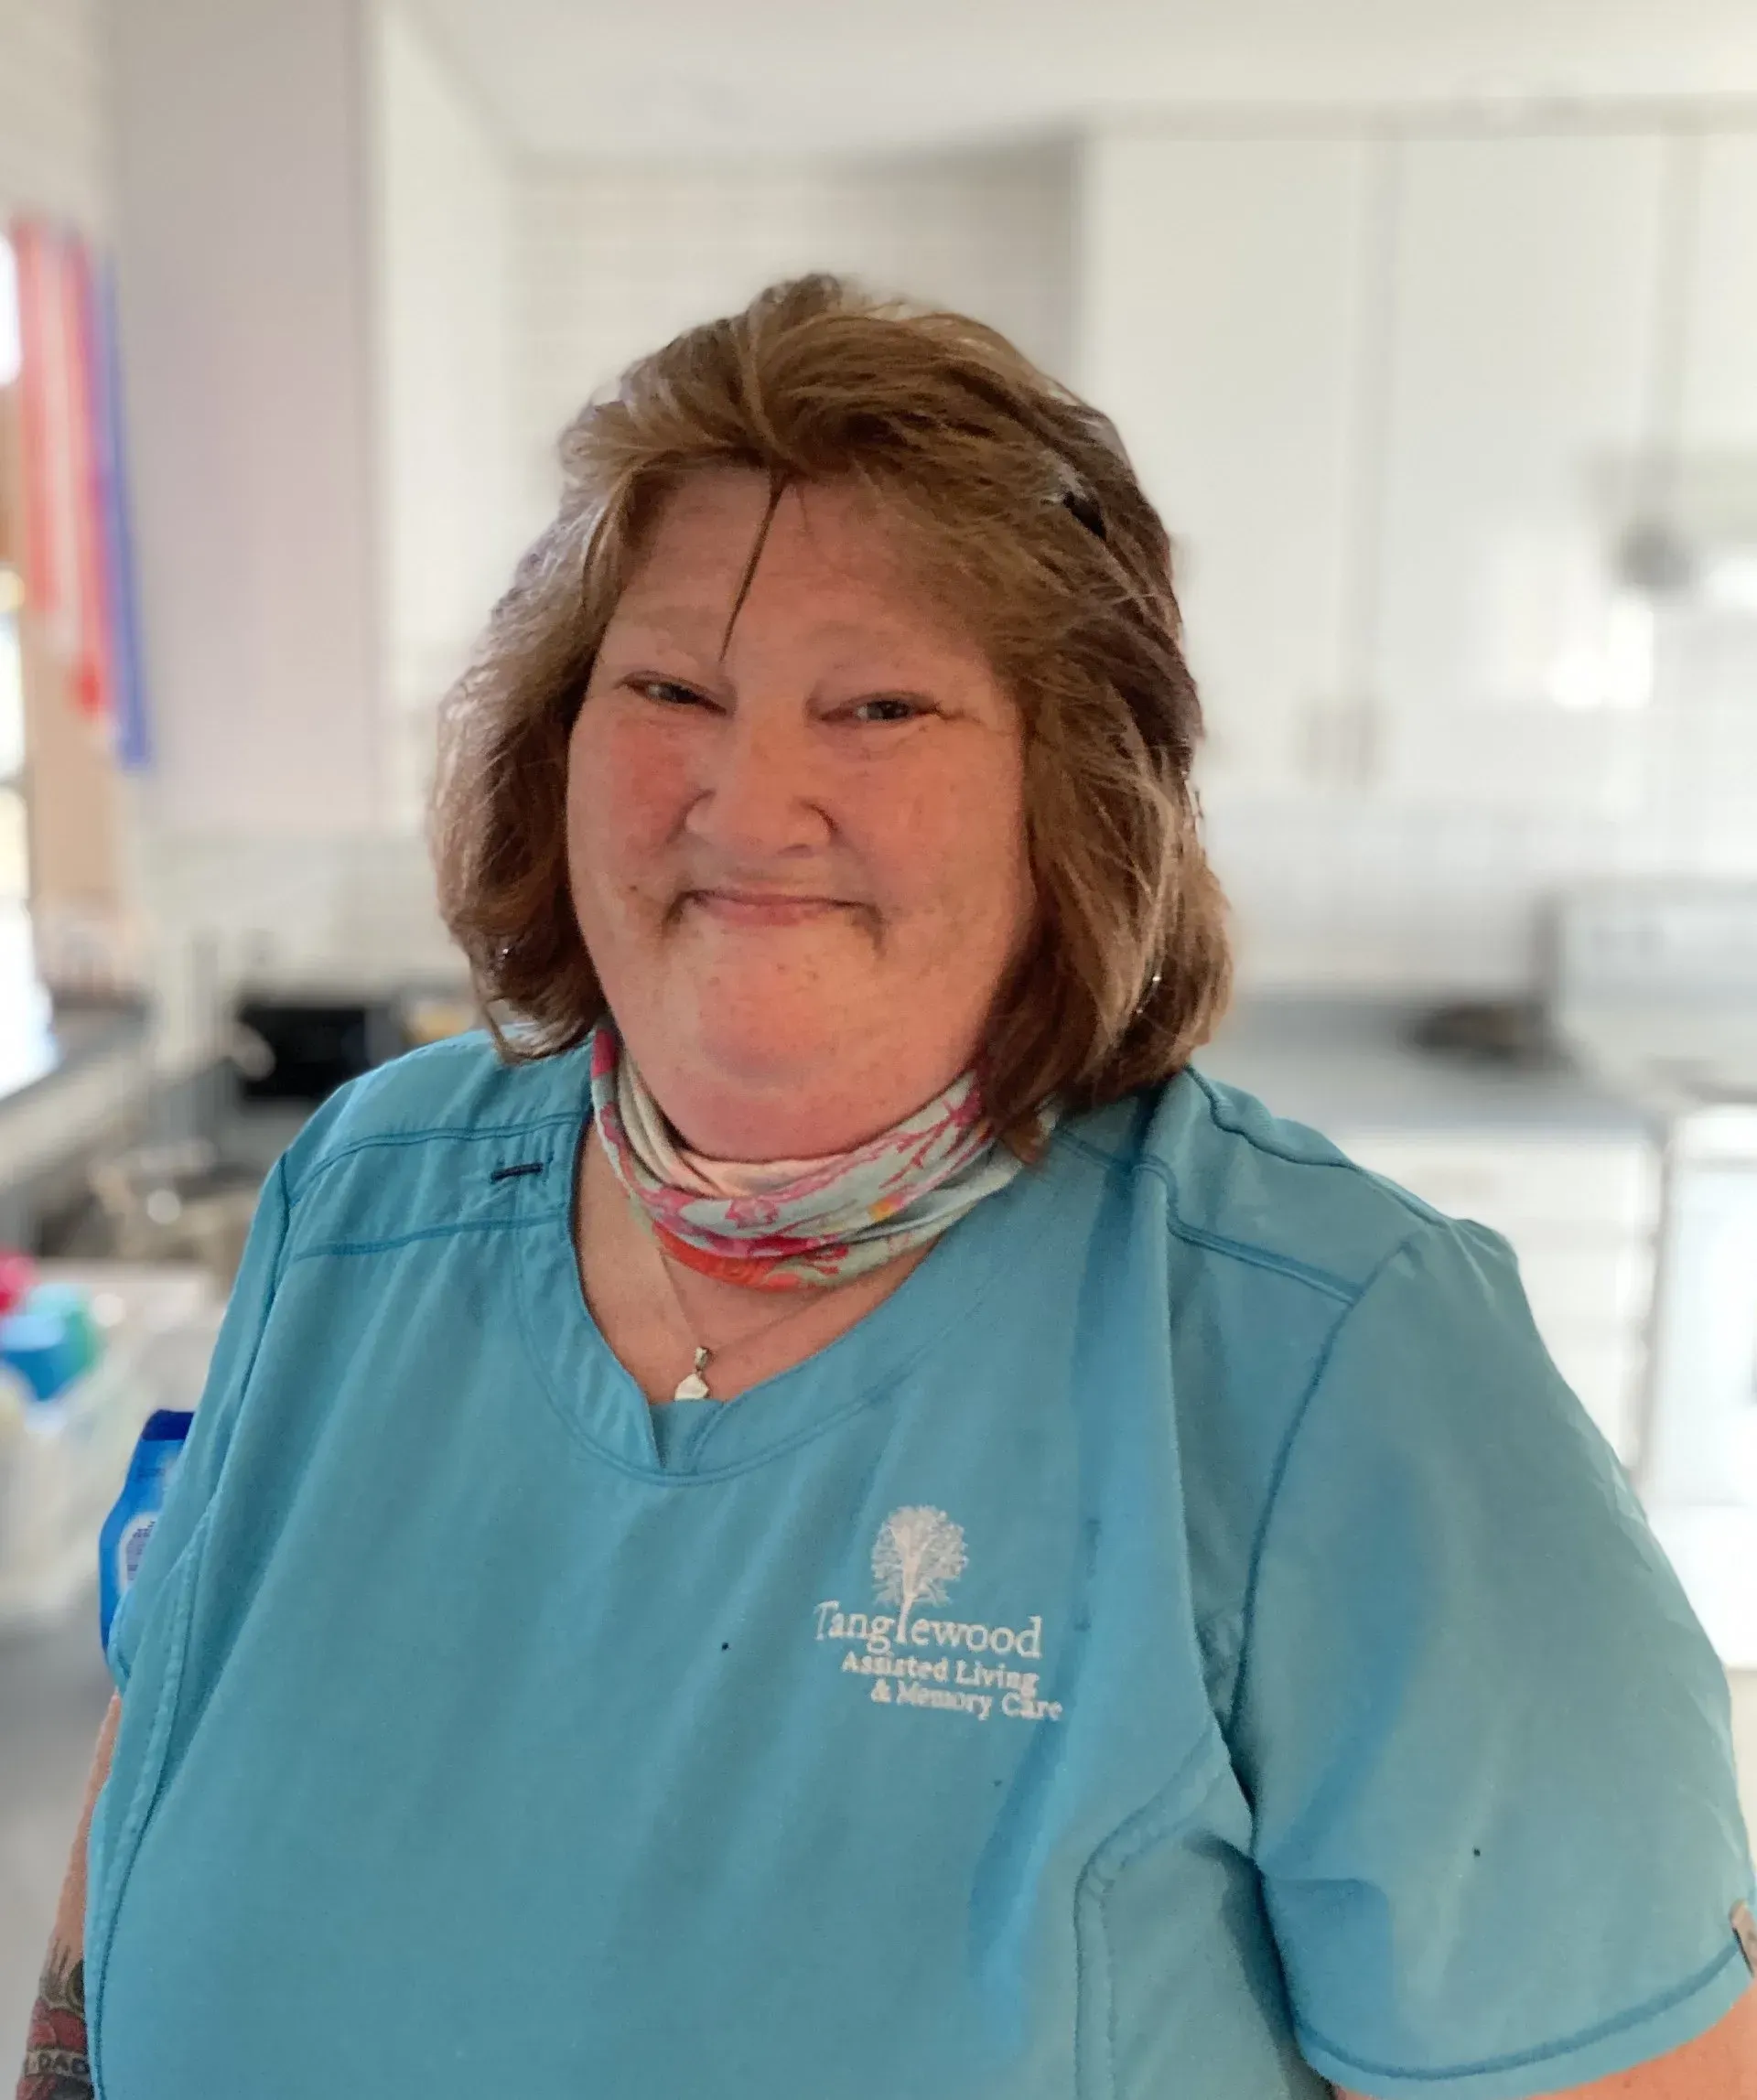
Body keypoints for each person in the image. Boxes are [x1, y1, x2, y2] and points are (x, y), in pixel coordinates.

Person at [19, 275, 1757, 2100]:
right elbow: (153, 1766)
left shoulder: (1336, 1361)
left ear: (1071, 798)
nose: (748, 799)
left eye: (879, 706)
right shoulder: (364, 1200)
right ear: (558, 747)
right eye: (672, 687)